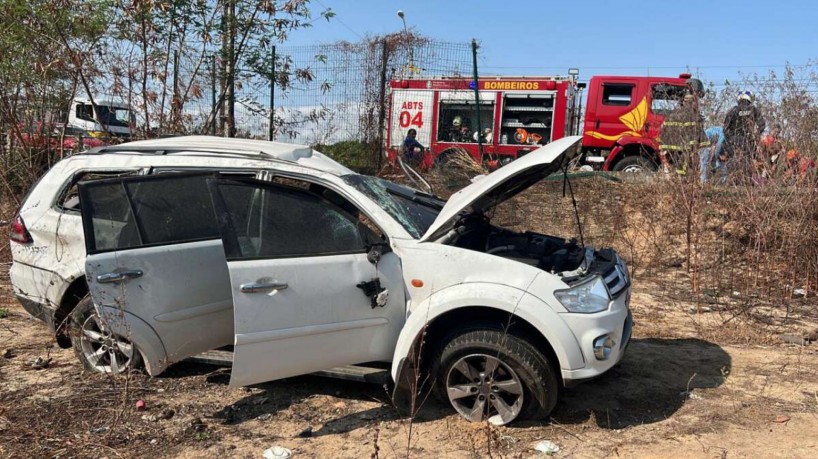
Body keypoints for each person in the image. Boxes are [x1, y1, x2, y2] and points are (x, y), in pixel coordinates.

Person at [659, 94, 708, 176]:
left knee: (672, 167)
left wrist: (663, 146)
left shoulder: (673, 113)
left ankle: (672, 182)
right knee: (682, 169)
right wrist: (694, 148)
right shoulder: (692, 115)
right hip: (684, 147)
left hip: (669, 147)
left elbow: (664, 130)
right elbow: (693, 134)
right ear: (692, 103)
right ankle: (681, 184)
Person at [723, 91, 765, 181]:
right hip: (747, 139)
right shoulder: (753, 109)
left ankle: (733, 180)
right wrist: (755, 136)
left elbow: (725, 128)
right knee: (747, 160)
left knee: (733, 159)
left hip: (733, 139)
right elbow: (761, 125)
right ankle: (746, 180)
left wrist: (728, 140)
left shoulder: (733, 110)